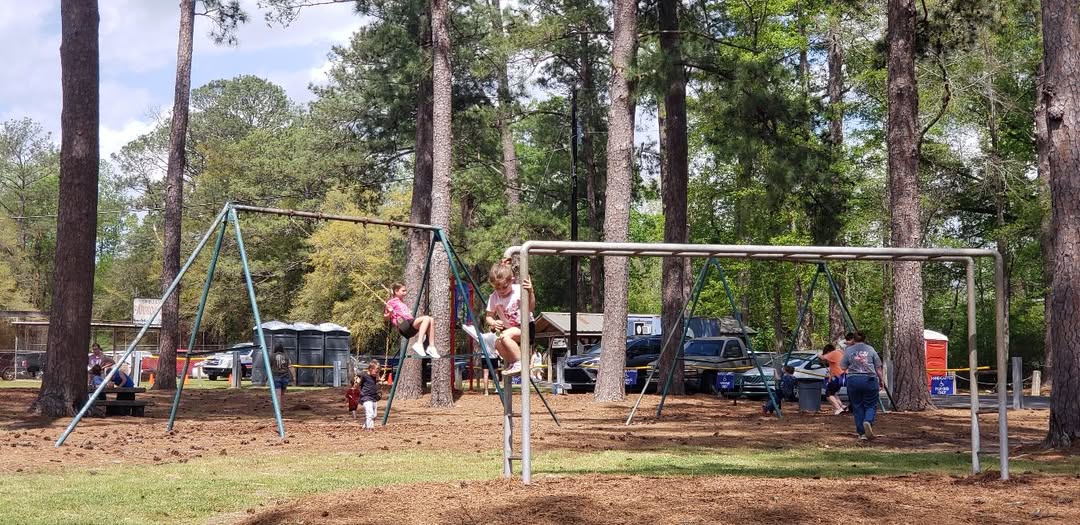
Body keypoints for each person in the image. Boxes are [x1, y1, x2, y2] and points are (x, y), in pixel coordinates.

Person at [485, 258, 535, 376]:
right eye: (497, 288)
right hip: (510, 330)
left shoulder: (519, 290)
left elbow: (531, 308)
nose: (501, 291)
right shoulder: (494, 297)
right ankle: (515, 363)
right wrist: (493, 323)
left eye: (504, 287)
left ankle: (521, 362)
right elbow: (489, 316)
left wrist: (530, 292)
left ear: (511, 281)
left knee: (504, 335)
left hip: (526, 327)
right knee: (497, 343)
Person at [840, 331, 884, 440]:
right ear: (865, 339)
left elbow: (843, 367)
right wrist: (881, 380)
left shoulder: (849, 350)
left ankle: (862, 433)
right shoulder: (870, 349)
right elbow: (878, 366)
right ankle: (867, 421)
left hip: (853, 380)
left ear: (853, 339)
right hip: (869, 379)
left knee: (857, 405)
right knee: (871, 404)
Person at [383, 283, 441, 358]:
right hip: (404, 325)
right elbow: (386, 318)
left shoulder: (401, 302)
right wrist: (390, 313)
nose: (405, 293)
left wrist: (408, 312)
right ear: (396, 291)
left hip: (409, 324)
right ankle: (419, 343)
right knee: (426, 318)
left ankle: (431, 347)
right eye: (403, 291)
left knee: (431, 319)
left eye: (405, 291)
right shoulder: (391, 302)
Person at [821, 343, 848, 415]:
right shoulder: (840, 352)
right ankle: (842, 406)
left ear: (828, 352)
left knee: (828, 394)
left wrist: (818, 355)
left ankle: (838, 408)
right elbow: (833, 368)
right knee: (834, 393)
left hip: (838, 376)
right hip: (843, 375)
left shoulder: (833, 353)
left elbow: (822, 357)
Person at [359, 360, 383, 430]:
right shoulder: (364, 375)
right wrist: (357, 380)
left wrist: (380, 380)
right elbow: (359, 376)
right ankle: (370, 428)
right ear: (370, 369)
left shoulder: (375, 376)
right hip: (366, 397)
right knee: (370, 413)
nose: (377, 374)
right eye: (376, 372)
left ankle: (365, 425)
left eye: (378, 372)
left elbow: (378, 384)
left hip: (373, 397)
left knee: (374, 415)